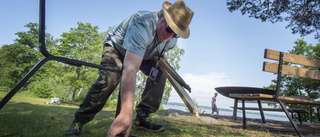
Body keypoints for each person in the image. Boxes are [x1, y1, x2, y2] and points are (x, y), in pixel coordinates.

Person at [65, 0, 194, 137]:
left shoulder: (171, 40)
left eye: (176, 34)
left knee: (160, 72)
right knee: (110, 77)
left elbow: (161, 52)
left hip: (144, 54)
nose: (170, 37)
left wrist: (162, 59)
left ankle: (143, 116)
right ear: (161, 18)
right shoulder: (142, 24)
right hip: (117, 48)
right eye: (169, 30)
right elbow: (130, 69)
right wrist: (126, 113)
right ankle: (79, 121)